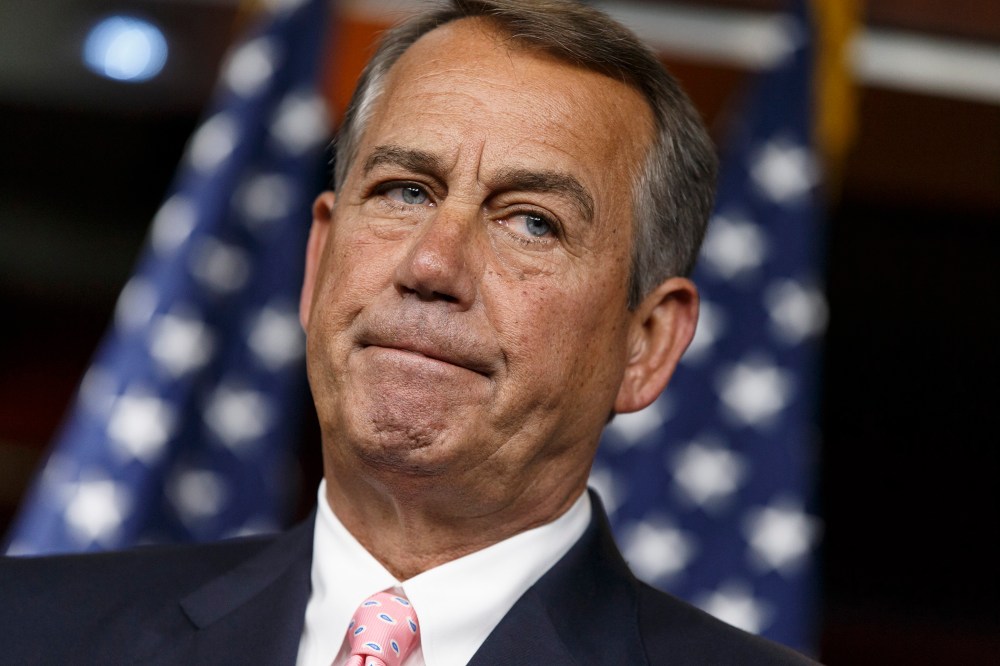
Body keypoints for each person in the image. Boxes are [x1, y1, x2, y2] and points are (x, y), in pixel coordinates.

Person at [1, 1, 817, 664]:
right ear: (318, 262)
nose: (432, 264)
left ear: (646, 345)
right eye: (405, 192)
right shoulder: (30, 631)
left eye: (531, 222)